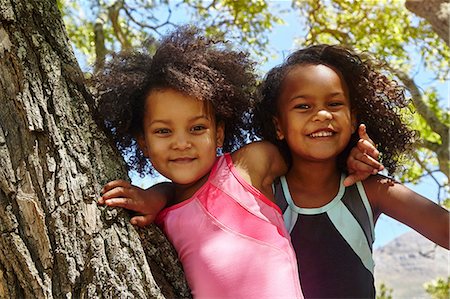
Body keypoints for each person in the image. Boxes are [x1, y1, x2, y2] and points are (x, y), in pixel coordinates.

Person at [94, 25, 304, 298]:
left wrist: (353, 155)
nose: (181, 143)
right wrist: (156, 197)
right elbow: (183, 197)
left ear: (218, 134)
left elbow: (307, 158)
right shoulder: (161, 215)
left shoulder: (247, 167)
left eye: (196, 129)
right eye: (163, 131)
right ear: (143, 142)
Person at [253, 44, 450, 298]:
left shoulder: (371, 191)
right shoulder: (263, 192)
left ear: (353, 119)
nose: (323, 114)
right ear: (278, 125)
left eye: (334, 103)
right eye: (303, 106)